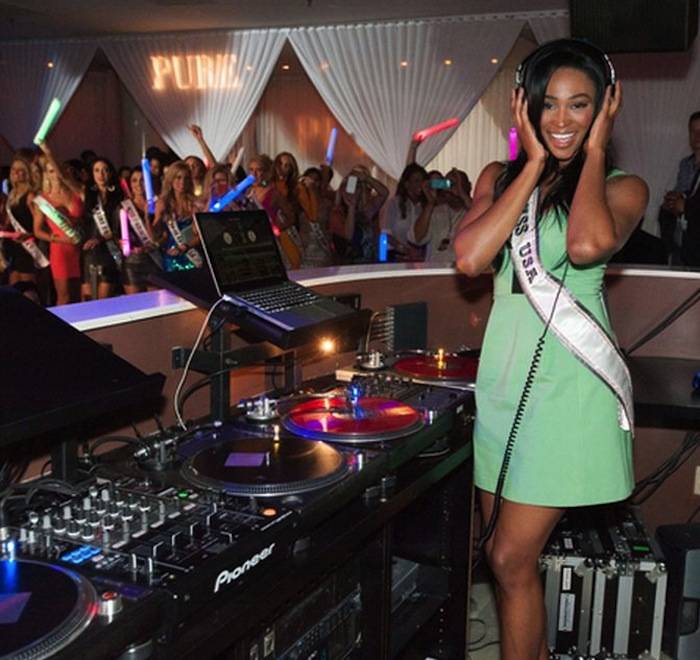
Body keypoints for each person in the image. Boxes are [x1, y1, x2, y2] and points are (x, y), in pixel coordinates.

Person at [454, 39, 648, 660]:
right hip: (504, 382)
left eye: (580, 105)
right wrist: (533, 164)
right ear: (526, 106)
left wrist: (593, 152)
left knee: (510, 557)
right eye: (550, 104)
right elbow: (470, 257)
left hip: (570, 388)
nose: (562, 119)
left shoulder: (624, 187)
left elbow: (587, 245)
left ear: (605, 108)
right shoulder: (497, 178)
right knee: (503, 556)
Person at [32, 141, 84, 305]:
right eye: (51, 171)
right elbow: (37, 230)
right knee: (64, 295)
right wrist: (58, 238)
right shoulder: (43, 200)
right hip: (60, 248)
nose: (55, 174)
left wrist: (49, 153)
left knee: (79, 295)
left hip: (81, 247)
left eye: (57, 170)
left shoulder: (76, 191)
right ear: (46, 174)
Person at [659, 111, 700, 264]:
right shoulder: (685, 164)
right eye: (693, 131)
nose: (697, 136)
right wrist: (672, 201)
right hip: (683, 227)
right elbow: (681, 190)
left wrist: (685, 205)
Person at [81, 158, 124, 300]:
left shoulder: (119, 196)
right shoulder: (87, 194)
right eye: (97, 170)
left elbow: (119, 227)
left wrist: (100, 239)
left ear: (110, 173)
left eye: (105, 170)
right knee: (87, 299)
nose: (101, 174)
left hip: (110, 250)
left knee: (103, 299)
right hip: (90, 251)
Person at [409, 168, 473, 263]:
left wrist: (462, 194)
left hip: (464, 269)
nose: (451, 189)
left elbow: (484, 222)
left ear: (468, 186)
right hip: (436, 269)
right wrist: (430, 203)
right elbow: (416, 238)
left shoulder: (475, 209)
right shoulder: (436, 211)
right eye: (448, 184)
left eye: (456, 184)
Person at [330, 166, 389, 263]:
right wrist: (351, 207)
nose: (352, 191)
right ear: (341, 190)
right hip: (348, 267)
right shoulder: (336, 213)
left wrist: (366, 178)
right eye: (348, 186)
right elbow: (349, 236)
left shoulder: (365, 212)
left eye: (357, 187)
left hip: (369, 264)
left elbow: (384, 193)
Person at [152, 161, 202, 272]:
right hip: (171, 256)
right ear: (171, 179)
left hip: (191, 256)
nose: (182, 182)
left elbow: (199, 235)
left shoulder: (194, 204)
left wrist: (184, 247)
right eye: (178, 178)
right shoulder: (163, 203)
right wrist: (157, 215)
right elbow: (156, 234)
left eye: (186, 178)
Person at [382, 162, 428, 261]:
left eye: (423, 181)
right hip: (396, 256)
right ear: (407, 184)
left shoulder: (426, 206)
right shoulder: (394, 203)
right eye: (416, 181)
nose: (421, 184)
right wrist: (405, 250)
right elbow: (385, 235)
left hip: (420, 258)